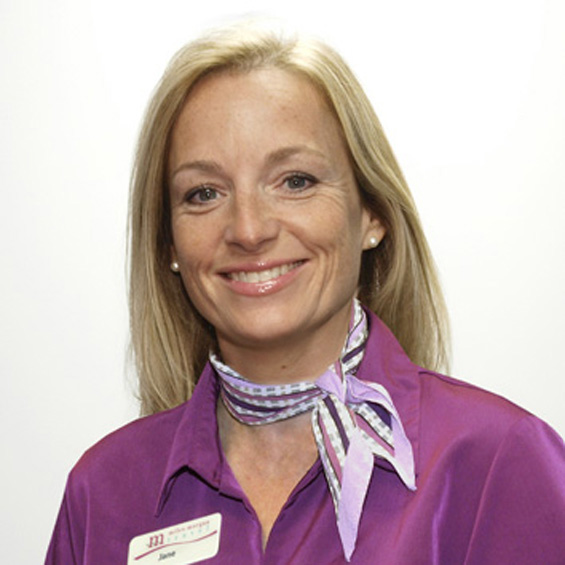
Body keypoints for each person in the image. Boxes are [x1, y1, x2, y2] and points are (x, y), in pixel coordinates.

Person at [46, 24, 565, 564]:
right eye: (204, 193)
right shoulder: (102, 492)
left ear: (372, 213)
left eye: (295, 181)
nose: (249, 230)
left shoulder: (496, 462)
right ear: (169, 244)